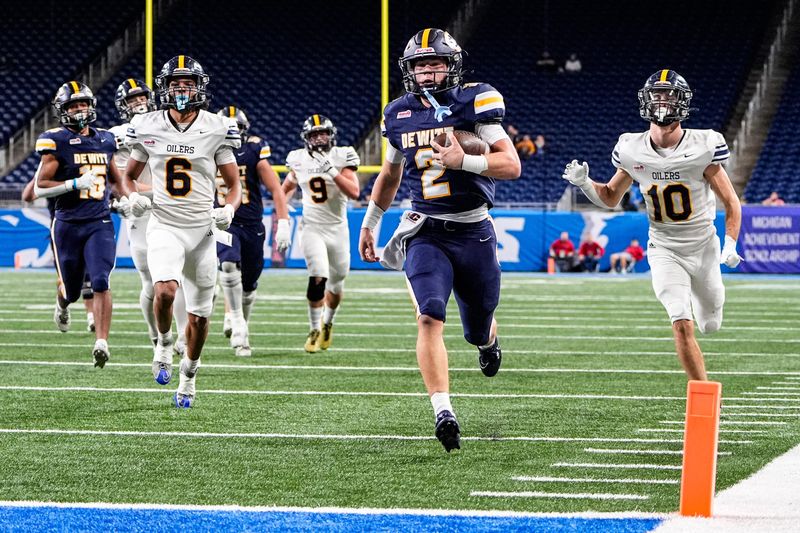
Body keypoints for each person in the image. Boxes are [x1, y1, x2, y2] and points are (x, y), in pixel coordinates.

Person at [358, 28, 521, 452]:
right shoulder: (397, 113)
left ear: (452, 65)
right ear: (409, 71)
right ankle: (443, 410)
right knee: (429, 317)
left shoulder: (477, 99)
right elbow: (390, 175)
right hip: (424, 229)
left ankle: (488, 342)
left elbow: (511, 165)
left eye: (435, 63)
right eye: (420, 65)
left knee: (477, 325)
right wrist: (370, 222)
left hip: (474, 230)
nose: (428, 72)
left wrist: (463, 159)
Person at [562, 69, 742, 381]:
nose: (662, 101)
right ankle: (703, 393)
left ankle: (709, 309)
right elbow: (610, 197)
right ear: (646, 100)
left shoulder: (704, 144)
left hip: (703, 246)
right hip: (664, 249)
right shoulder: (632, 148)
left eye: (669, 95)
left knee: (710, 323)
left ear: (682, 103)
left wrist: (730, 244)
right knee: (680, 320)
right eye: (657, 95)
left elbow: (731, 202)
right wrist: (586, 184)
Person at [118, 55, 242, 408]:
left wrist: (229, 208)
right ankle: (162, 340)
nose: (181, 89)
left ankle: (190, 374)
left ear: (200, 87)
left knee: (201, 319)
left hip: (202, 230)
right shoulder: (147, 124)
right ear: (164, 87)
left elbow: (233, 185)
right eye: (175, 83)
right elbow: (128, 176)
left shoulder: (218, 126)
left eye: (187, 83)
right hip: (165, 224)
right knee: (165, 290)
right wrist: (133, 197)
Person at [33, 81, 120, 367]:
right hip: (68, 223)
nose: (80, 109)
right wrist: (72, 183)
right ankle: (62, 303)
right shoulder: (55, 140)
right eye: (73, 105)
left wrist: (127, 200)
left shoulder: (106, 139)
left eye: (83, 103)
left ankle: (102, 341)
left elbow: (118, 182)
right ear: (63, 110)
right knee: (71, 290)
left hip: (100, 221)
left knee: (100, 280)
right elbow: (40, 187)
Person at [108, 78, 190, 355]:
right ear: (123, 106)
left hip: (172, 209)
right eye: (132, 100)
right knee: (151, 282)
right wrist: (123, 198)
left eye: (142, 97)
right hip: (141, 212)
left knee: (174, 278)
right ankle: (155, 334)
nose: (139, 103)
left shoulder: (165, 123)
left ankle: (182, 337)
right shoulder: (118, 134)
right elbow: (120, 180)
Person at [214, 105, 292, 356]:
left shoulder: (253, 149)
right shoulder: (207, 150)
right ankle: (238, 325)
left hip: (252, 223)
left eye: (236, 130)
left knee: (249, 283)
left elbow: (277, 189)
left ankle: (241, 321)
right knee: (227, 265)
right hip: (224, 221)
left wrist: (284, 223)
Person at [281, 114, 360, 353]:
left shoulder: (342, 154)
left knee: (336, 285)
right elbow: (283, 191)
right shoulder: (298, 159)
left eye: (323, 133)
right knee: (318, 276)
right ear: (307, 138)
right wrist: (282, 220)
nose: (319, 138)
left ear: (331, 134)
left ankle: (328, 323)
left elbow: (355, 192)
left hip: (337, 229)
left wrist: (332, 171)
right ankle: (314, 328)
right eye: (314, 134)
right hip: (311, 227)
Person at [22, 178, 97, 333]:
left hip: (88, 228)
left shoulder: (79, 168)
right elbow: (28, 195)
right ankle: (62, 305)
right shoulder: (53, 175)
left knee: (89, 277)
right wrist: (40, 176)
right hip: (62, 233)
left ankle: (91, 317)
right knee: (69, 281)